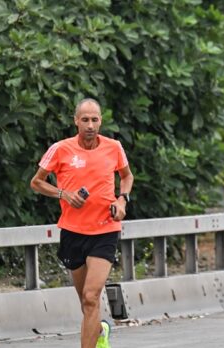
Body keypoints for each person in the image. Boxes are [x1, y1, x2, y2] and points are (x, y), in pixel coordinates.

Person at [30, 98, 133, 348]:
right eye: (84, 119)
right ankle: (100, 331)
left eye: (94, 119)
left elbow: (127, 176)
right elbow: (37, 182)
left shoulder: (114, 147)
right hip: (73, 231)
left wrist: (122, 200)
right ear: (76, 120)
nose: (90, 124)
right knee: (86, 302)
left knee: (90, 297)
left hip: (105, 230)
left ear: (100, 121)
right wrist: (63, 194)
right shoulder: (61, 149)